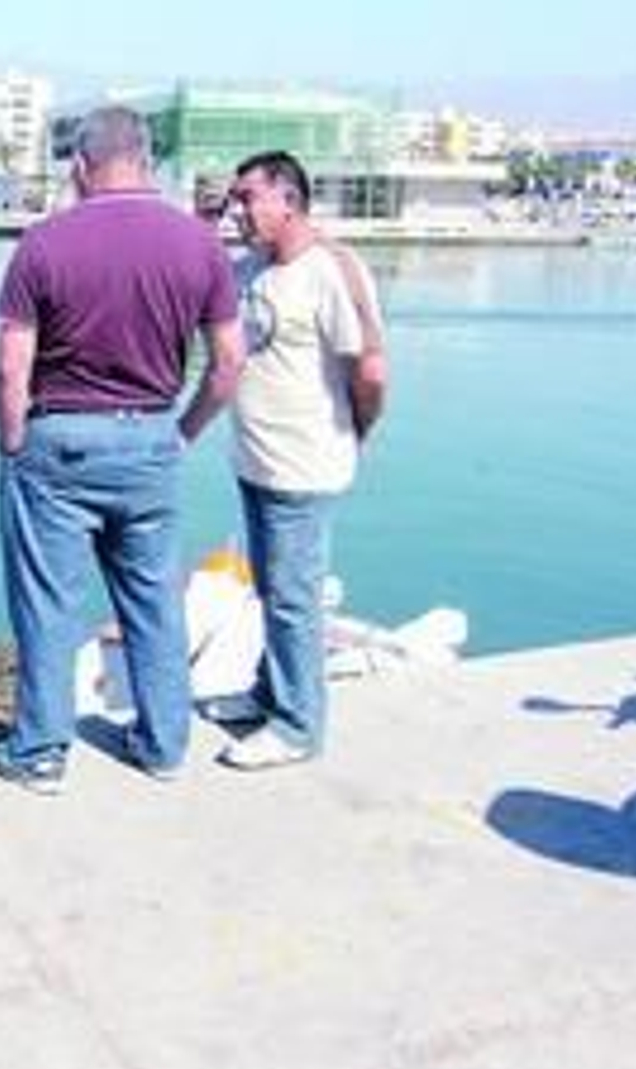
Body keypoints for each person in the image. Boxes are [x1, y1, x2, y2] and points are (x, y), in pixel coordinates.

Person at [0, 105, 246, 795]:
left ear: (80, 165)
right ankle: (162, 745)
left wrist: (13, 442)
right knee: (155, 598)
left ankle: (41, 752)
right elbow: (228, 364)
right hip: (151, 437)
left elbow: (13, 367)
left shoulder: (43, 244)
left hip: (60, 442)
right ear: (147, 161)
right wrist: (182, 431)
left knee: (49, 604)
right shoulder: (199, 245)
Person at [213, 149, 388, 770]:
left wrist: (352, 435)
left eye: (248, 198)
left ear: (288, 200)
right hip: (255, 460)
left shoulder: (331, 270)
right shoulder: (250, 267)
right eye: (234, 199)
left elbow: (369, 368)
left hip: (305, 465)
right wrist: (202, 214)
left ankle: (297, 725)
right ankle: (268, 693)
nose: (239, 210)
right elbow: (192, 280)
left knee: (294, 596)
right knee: (269, 588)